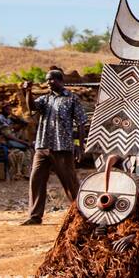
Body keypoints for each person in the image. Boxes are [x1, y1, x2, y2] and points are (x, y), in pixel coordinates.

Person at [19, 67, 88, 226]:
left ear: (60, 81)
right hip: (43, 146)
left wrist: (80, 145)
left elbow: (81, 123)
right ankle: (35, 216)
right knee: (36, 180)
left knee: (70, 183)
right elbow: (32, 108)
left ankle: (81, 215)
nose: (48, 82)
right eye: (47, 79)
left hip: (62, 147)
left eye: (51, 79)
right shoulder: (45, 99)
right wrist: (28, 91)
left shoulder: (71, 98)